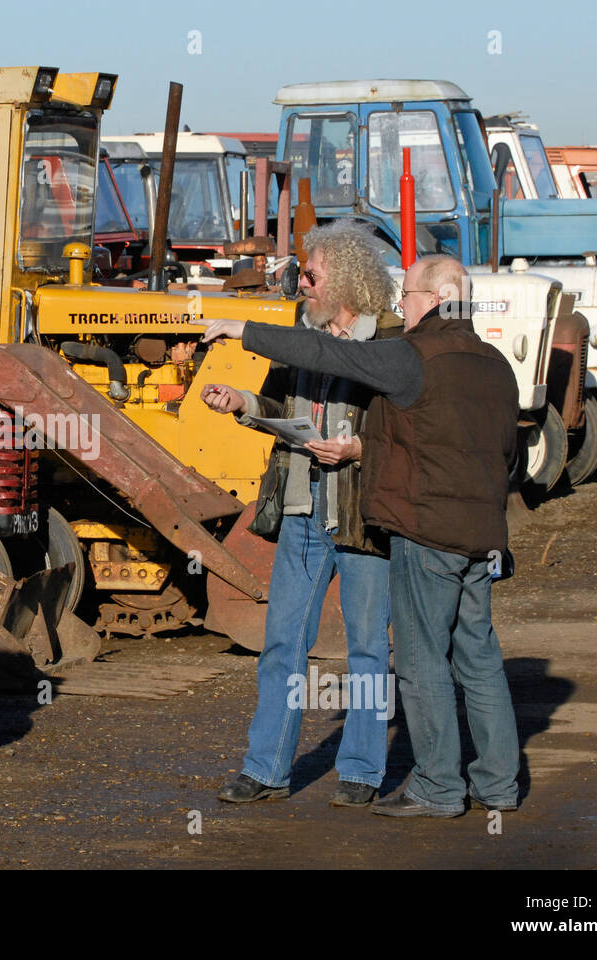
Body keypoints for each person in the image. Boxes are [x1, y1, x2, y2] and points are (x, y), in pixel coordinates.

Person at [196, 254, 521, 819]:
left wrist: (243, 329)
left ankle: (422, 784)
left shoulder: (404, 349)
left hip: (394, 522)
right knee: (475, 658)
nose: (403, 305)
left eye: (411, 298)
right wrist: (247, 405)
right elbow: (504, 454)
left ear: (435, 300)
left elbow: (379, 408)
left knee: (410, 658)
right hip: (461, 528)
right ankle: (496, 786)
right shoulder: (494, 363)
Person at [204, 221, 399, 808]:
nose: (302, 286)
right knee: (283, 641)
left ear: (342, 278)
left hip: (363, 514)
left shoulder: (389, 339)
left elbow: (402, 432)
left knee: (368, 647)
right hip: (301, 505)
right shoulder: (300, 333)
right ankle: (265, 769)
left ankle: (362, 772)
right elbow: (278, 404)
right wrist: (243, 405)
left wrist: (356, 448)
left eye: (310, 276)